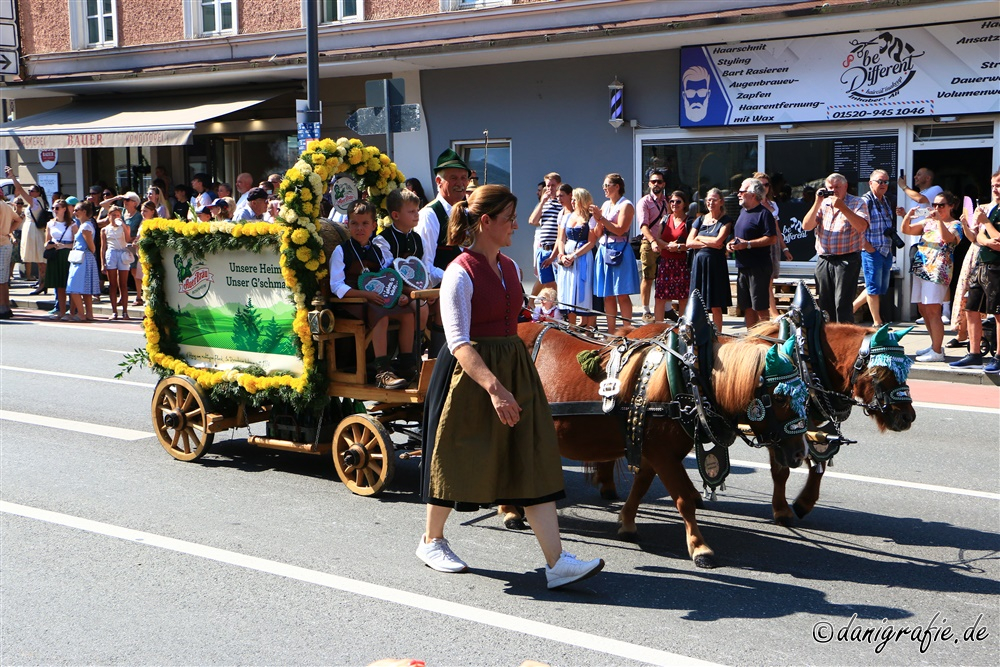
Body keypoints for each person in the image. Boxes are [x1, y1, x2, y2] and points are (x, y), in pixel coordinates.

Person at [417, 184, 604, 589]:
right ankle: (431, 540)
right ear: (486, 222)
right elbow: (459, 342)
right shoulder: (458, 273)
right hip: (472, 376)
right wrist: (495, 389)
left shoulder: (510, 267)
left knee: (531, 456)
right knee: (456, 454)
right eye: (509, 219)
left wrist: (536, 310)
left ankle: (556, 563)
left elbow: (512, 312)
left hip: (514, 365)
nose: (517, 226)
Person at [328, 200, 417, 389]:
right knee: (382, 316)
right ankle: (382, 371)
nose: (360, 228)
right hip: (353, 301)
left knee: (408, 312)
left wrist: (398, 295)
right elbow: (336, 286)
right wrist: (365, 295)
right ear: (348, 224)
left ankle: (406, 365)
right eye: (354, 223)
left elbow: (390, 278)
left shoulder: (379, 251)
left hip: (378, 298)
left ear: (374, 225)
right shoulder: (341, 251)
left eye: (365, 224)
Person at [902, 192, 962, 362]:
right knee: (923, 309)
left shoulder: (955, 224)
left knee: (934, 310)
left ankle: (936, 351)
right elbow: (906, 230)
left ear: (951, 206)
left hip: (938, 271)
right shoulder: (928, 221)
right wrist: (908, 216)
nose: (936, 208)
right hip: (921, 268)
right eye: (934, 205)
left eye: (941, 205)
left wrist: (938, 221)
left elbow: (948, 238)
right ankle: (934, 344)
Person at [803, 173, 869, 324]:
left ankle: (844, 337)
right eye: (830, 188)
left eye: (837, 187)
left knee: (842, 303)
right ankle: (827, 336)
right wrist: (817, 202)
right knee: (825, 304)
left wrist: (843, 207)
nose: (834, 191)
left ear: (845, 186)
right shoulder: (823, 204)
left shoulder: (858, 202)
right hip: (824, 259)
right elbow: (806, 226)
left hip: (847, 259)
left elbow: (861, 227)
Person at [953, 169, 1000, 373]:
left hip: (997, 266)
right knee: (971, 309)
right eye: (993, 186)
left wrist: (987, 226)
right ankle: (974, 353)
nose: (995, 189)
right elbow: (979, 237)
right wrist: (988, 240)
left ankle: (999, 356)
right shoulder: (991, 208)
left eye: (998, 185)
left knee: (998, 313)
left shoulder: (990, 213)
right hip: (981, 264)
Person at [382, 187, 434, 336]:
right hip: (395, 291)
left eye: (417, 210)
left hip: (418, 290)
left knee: (445, 303)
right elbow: (387, 275)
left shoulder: (418, 239)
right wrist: (416, 293)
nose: (417, 215)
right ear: (395, 215)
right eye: (411, 212)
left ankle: (437, 354)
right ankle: (415, 351)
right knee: (421, 307)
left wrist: (428, 288)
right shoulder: (383, 240)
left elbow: (424, 269)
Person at [592, 173, 639, 334]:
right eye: (603, 186)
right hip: (604, 249)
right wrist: (597, 221)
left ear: (617, 186)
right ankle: (611, 333)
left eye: (607, 185)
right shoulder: (605, 205)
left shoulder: (626, 205)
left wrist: (602, 219)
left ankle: (627, 332)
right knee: (608, 295)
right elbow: (598, 233)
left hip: (620, 251)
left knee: (622, 294)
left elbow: (620, 230)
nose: (604, 189)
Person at [415, 149, 471, 287]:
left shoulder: (468, 214)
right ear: (439, 181)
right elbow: (424, 268)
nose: (460, 183)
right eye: (453, 178)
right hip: (441, 296)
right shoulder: (429, 215)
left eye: (464, 178)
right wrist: (458, 277)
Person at [727, 177, 776, 328]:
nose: (738, 194)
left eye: (741, 191)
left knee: (760, 307)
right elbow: (740, 237)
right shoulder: (743, 212)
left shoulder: (764, 214)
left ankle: (766, 339)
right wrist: (732, 244)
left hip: (758, 267)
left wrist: (747, 245)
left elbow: (772, 238)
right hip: (743, 266)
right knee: (746, 306)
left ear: (753, 194)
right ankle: (751, 339)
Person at [686, 187, 733, 330]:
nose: (710, 203)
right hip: (699, 263)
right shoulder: (700, 219)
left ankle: (718, 335)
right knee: (697, 301)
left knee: (716, 304)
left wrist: (700, 238)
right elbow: (689, 242)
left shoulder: (726, 221)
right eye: (708, 200)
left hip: (715, 265)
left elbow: (719, 242)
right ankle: (698, 332)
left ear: (721, 201)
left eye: (714, 200)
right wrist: (706, 240)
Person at [856, 169, 896, 326]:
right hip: (872, 251)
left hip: (886, 249)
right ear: (870, 183)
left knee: (879, 287)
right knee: (873, 287)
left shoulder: (885, 200)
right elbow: (856, 227)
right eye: (880, 181)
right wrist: (868, 247)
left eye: (886, 181)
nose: (884, 184)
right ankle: (877, 322)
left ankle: (851, 309)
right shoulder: (864, 201)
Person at [555, 187, 598, 328]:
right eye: (572, 199)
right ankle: (572, 326)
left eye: (575, 199)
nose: (572, 202)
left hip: (583, 257)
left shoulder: (590, 219)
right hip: (567, 256)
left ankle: (588, 327)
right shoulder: (566, 216)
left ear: (582, 201)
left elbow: (591, 242)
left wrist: (573, 255)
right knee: (567, 289)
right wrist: (561, 256)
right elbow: (561, 239)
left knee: (583, 289)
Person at [754, 172, 792, 320]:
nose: (764, 188)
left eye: (766, 185)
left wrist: (785, 248)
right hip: (759, 243)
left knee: (770, 278)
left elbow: (776, 228)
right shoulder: (752, 204)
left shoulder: (773, 204)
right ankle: (772, 310)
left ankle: (770, 310)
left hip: (773, 243)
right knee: (765, 279)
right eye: (760, 185)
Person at [6, 168, 49, 294]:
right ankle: (42, 283)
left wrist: (13, 177)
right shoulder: (38, 201)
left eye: (32, 191)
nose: (29, 192)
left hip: (34, 232)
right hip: (33, 231)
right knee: (38, 259)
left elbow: (20, 189)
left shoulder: (35, 201)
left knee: (40, 260)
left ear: (38, 193)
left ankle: (43, 283)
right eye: (29, 190)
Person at [652, 190, 690, 322]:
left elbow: (693, 243)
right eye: (672, 201)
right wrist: (668, 246)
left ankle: (683, 328)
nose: (674, 204)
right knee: (660, 296)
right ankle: (658, 328)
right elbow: (658, 238)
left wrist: (679, 247)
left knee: (683, 297)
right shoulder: (666, 219)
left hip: (682, 264)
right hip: (665, 262)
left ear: (685, 204)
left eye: (678, 201)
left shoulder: (689, 221)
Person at [637, 170, 668, 322]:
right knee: (648, 277)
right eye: (654, 181)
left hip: (664, 244)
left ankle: (666, 309)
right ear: (649, 184)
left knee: (664, 278)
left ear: (664, 184)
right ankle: (645, 310)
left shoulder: (668, 202)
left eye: (659, 182)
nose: (656, 184)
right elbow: (643, 226)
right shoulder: (644, 202)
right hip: (649, 243)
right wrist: (653, 241)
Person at [527, 172, 563, 297]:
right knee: (547, 283)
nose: (550, 189)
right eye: (548, 186)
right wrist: (542, 203)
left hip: (557, 248)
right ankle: (552, 309)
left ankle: (561, 310)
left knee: (559, 282)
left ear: (559, 185)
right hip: (544, 248)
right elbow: (532, 221)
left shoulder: (563, 204)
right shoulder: (543, 204)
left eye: (553, 185)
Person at [66, 200, 101, 322]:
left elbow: (91, 246)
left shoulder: (86, 226)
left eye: (77, 210)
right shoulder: (83, 225)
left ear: (84, 212)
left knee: (73, 286)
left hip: (83, 258)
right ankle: (89, 314)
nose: (74, 212)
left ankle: (81, 314)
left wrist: (87, 252)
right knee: (86, 289)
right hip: (83, 257)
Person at [43, 200, 77, 320]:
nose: (55, 210)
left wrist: (65, 246)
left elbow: (77, 243)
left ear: (64, 209)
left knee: (71, 284)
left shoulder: (72, 224)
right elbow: (46, 242)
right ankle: (62, 311)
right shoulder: (50, 224)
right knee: (59, 285)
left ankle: (72, 312)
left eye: (57, 208)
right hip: (55, 255)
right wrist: (51, 245)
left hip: (67, 255)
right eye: (53, 208)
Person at [101, 206, 133, 320]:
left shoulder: (124, 227)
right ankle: (114, 311)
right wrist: (102, 263)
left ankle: (125, 311)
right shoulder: (105, 230)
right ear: (109, 216)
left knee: (123, 284)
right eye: (113, 215)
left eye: (118, 215)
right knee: (112, 284)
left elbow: (128, 239)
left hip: (122, 253)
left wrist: (123, 225)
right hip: (111, 253)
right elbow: (103, 247)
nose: (115, 217)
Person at [0, 200, 21, 319]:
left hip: (1, 243)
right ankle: (5, 307)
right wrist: (8, 231)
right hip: (5, 242)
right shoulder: (6, 206)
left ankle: (3, 307)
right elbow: (18, 219)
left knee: (1, 280)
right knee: (3, 279)